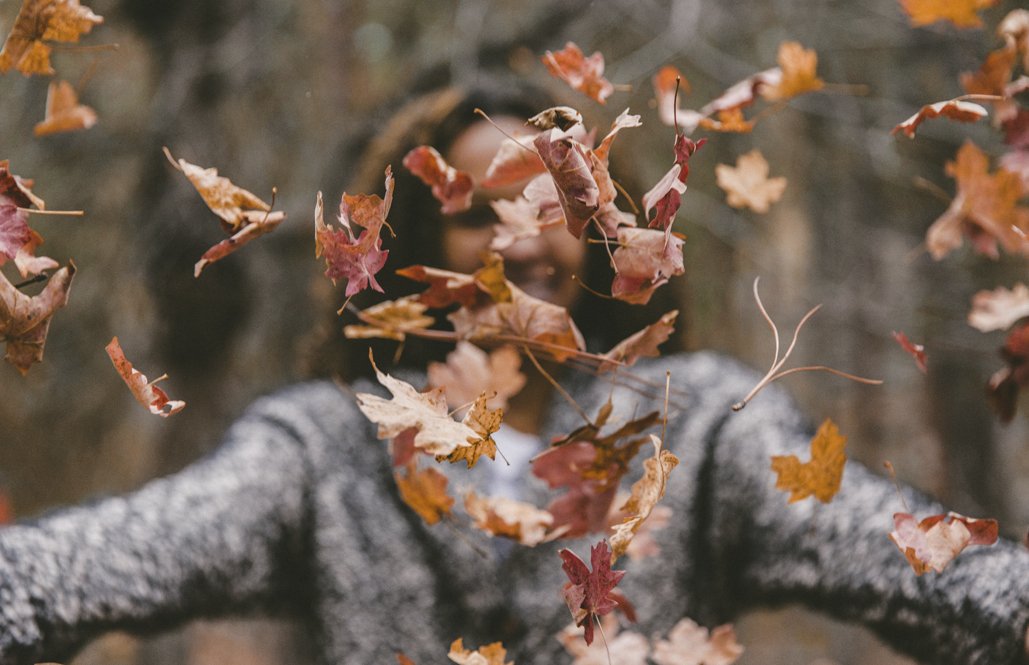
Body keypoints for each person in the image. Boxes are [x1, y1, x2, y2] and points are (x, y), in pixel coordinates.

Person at [1, 81, 1028, 665]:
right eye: (474, 208)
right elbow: (106, 559)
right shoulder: (325, 447)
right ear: (409, 248)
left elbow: (926, 572)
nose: (519, 241)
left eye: (551, 209)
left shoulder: (702, 425)